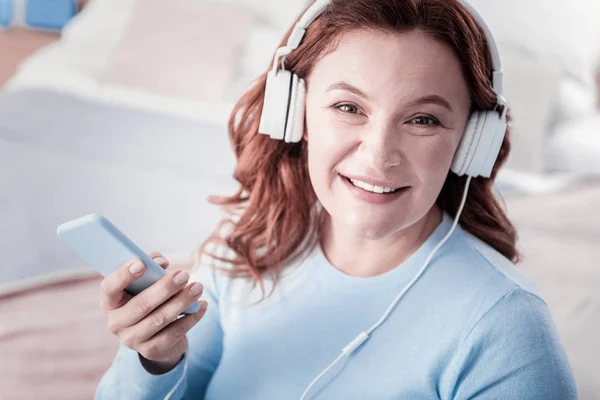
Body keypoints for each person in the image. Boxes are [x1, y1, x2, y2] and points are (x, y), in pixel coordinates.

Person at [95, 0, 578, 398]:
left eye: (423, 119)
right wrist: (155, 360)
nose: (379, 156)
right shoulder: (247, 250)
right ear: (294, 113)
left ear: (472, 142)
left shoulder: (506, 329)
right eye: (349, 107)